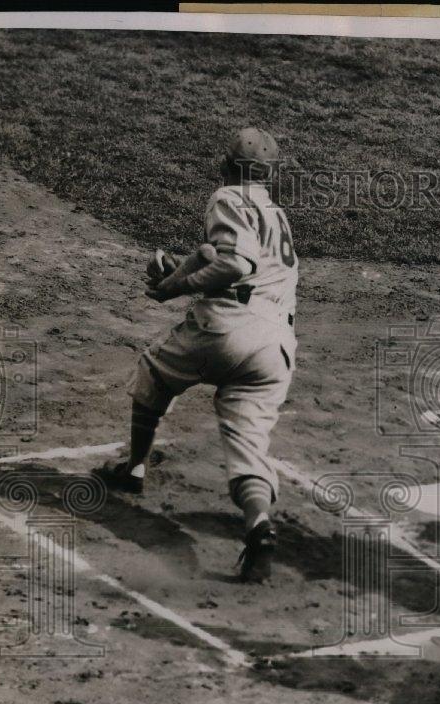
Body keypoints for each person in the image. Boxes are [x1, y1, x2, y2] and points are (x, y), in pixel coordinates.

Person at [94, 127, 298, 583]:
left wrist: (178, 287)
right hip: (276, 343)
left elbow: (235, 264)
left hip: (227, 327)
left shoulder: (228, 196)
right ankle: (259, 524)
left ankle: (134, 467)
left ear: (226, 166)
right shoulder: (275, 213)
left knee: (155, 372)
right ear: (271, 175)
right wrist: (182, 270)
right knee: (248, 443)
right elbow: (233, 260)